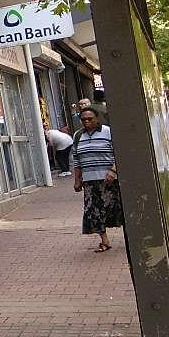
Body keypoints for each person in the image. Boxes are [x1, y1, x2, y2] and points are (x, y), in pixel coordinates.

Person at [71, 107, 124, 252]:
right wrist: (77, 180)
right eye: (83, 119)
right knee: (93, 211)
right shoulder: (78, 136)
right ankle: (104, 241)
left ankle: (129, 238)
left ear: (97, 119)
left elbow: (119, 152)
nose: (86, 122)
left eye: (90, 119)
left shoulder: (108, 132)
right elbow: (76, 160)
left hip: (109, 179)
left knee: (117, 209)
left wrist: (113, 170)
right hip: (89, 181)